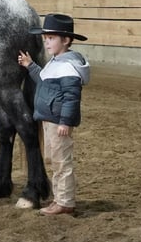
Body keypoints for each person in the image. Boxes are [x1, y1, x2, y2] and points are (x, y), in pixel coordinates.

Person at [17, 13, 90, 216]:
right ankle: (60, 198)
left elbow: (71, 97)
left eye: (51, 38)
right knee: (55, 160)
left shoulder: (67, 67)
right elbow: (43, 80)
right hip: (49, 121)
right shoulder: (56, 63)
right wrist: (30, 65)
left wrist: (65, 121)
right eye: (45, 38)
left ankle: (65, 202)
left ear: (65, 40)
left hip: (58, 123)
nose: (46, 43)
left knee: (61, 162)